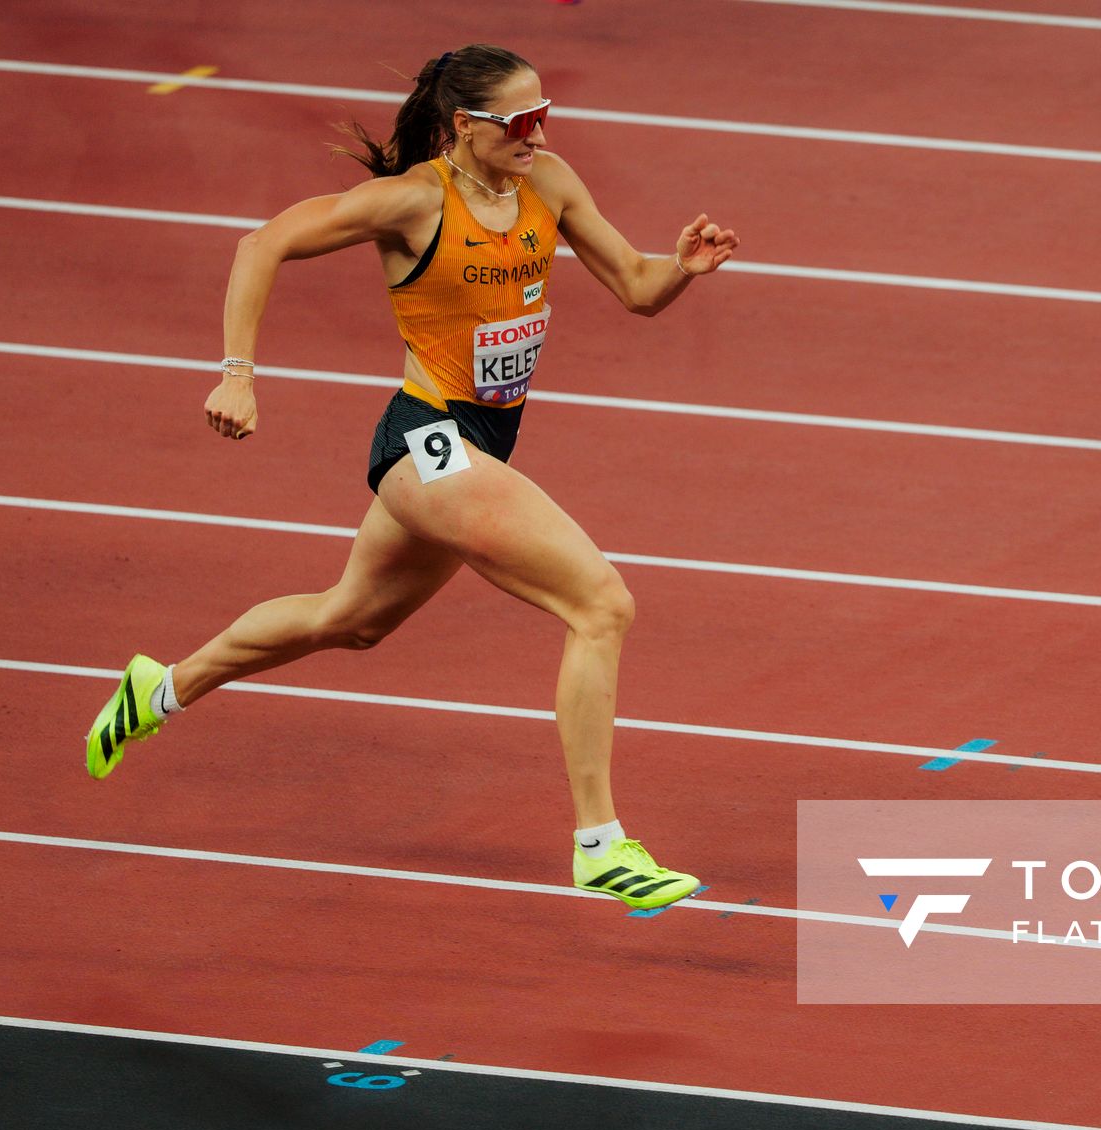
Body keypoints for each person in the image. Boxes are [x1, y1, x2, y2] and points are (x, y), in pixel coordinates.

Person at [84, 44, 739, 912]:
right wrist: (238, 372)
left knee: (347, 620)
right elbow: (263, 241)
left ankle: (158, 689)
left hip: (480, 445)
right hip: (427, 441)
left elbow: (637, 288)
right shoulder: (412, 202)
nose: (538, 134)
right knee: (601, 604)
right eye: (519, 123)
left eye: (546, 117)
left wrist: (682, 271)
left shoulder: (549, 183)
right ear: (464, 128)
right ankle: (601, 847)